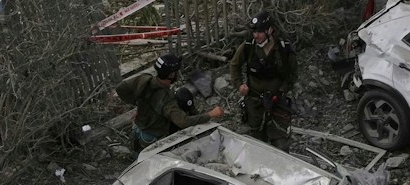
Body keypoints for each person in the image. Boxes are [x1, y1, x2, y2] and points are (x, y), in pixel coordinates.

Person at [114, 52, 224, 153]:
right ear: (171, 75)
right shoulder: (166, 99)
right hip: (151, 139)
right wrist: (211, 114)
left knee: (137, 157)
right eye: (175, 72)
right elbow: (183, 122)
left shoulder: (145, 79)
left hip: (138, 129)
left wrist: (137, 104)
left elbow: (120, 88)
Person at [231, 13, 297, 148]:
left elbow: (293, 73)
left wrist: (281, 91)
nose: (256, 35)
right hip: (254, 103)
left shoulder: (283, 48)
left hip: (277, 102)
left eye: (260, 31)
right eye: (254, 31)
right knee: (256, 143)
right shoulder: (248, 46)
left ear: (270, 30)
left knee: (281, 143)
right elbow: (234, 65)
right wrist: (239, 85)